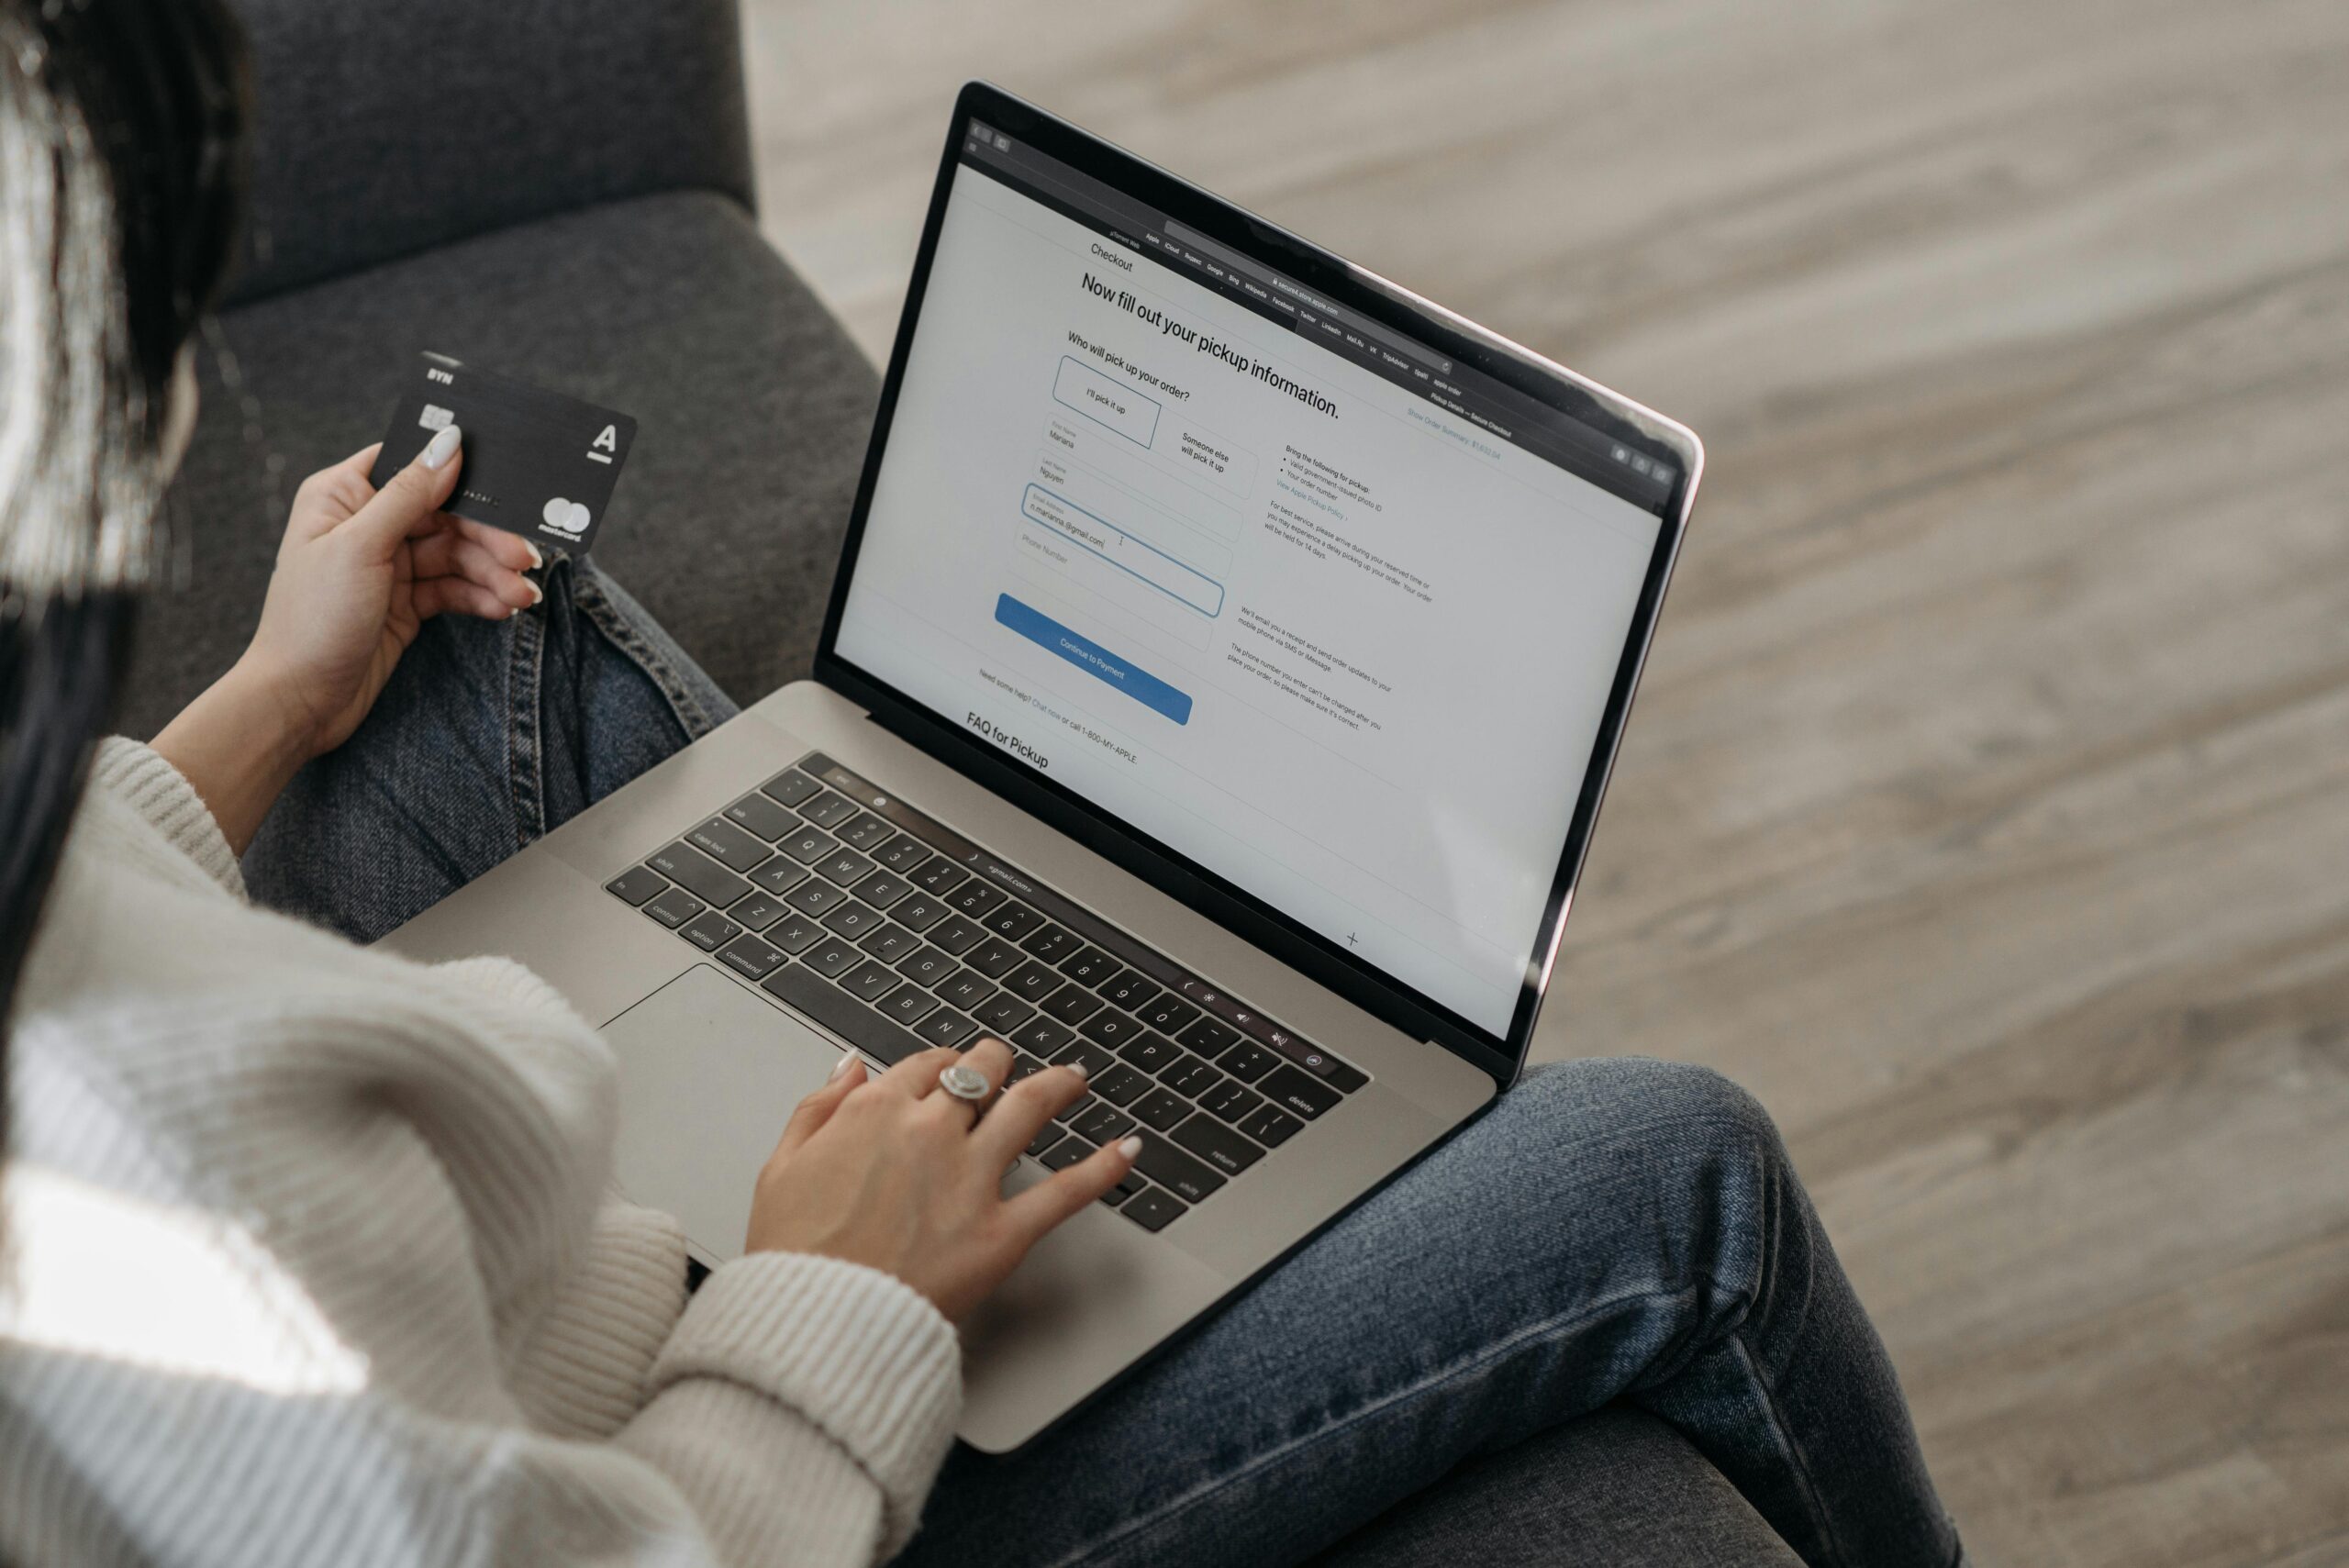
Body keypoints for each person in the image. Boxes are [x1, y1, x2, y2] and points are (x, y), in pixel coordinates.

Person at [0, 4, 1965, 1566]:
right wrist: (829, 1294)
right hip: (723, 1443)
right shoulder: (143, 1227)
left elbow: (55, 913)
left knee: (473, 630)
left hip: (517, 1268)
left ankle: (870, 919)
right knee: (1681, 1164)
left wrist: (265, 703)